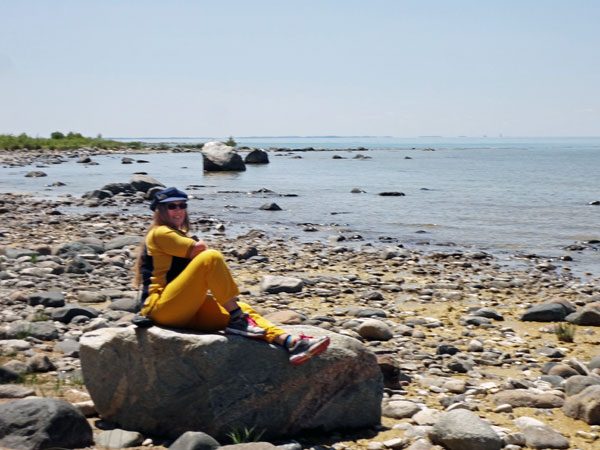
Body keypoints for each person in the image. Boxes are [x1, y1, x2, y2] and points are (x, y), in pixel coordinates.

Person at [133, 186, 329, 366]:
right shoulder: (160, 232)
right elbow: (200, 250)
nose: (178, 210)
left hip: (184, 309)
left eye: (182, 205)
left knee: (243, 309)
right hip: (161, 308)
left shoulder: (176, 234)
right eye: (171, 206)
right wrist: (197, 240)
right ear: (159, 210)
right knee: (211, 257)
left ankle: (291, 343)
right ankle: (237, 320)